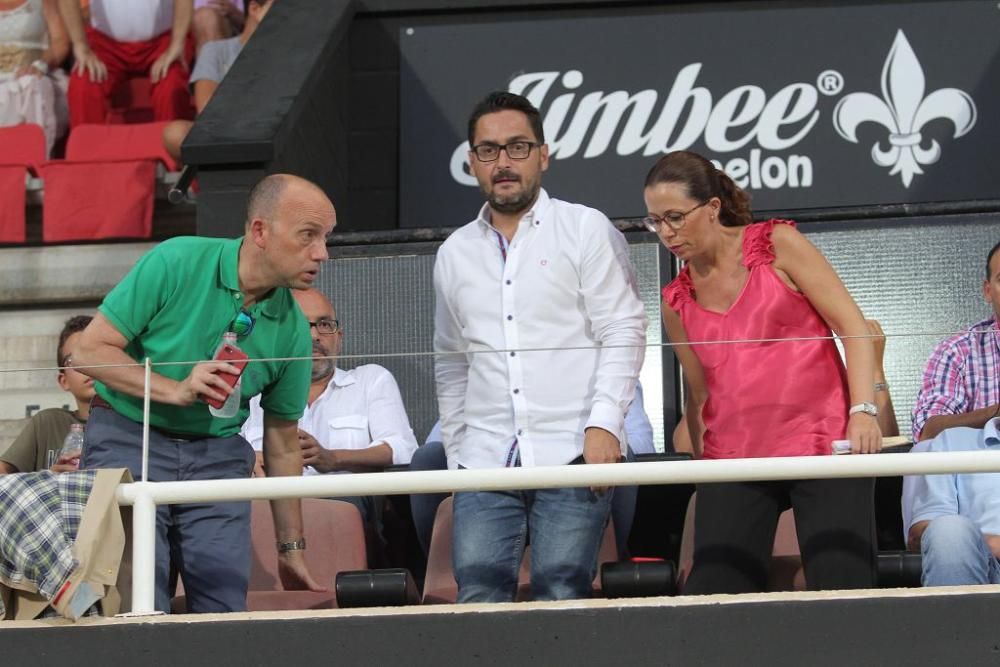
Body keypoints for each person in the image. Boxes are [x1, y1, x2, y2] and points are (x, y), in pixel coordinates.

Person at [72, 173, 332, 613]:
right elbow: (88, 351)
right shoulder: (176, 260)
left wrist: (291, 549)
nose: (321, 253)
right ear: (260, 232)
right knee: (132, 603)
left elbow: (284, 443)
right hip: (127, 438)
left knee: (223, 611)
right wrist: (173, 389)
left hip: (216, 455)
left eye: (326, 238)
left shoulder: (292, 330)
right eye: (308, 235)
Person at [433, 91, 647, 603]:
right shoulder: (454, 251)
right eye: (488, 150)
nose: (502, 163)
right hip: (483, 461)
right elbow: (451, 360)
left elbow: (623, 329)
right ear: (471, 161)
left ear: (543, 156)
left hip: (572, 451)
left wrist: (604, 425)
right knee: (478, 596)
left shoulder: (584, 227)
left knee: (562, 591)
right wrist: (459, 454)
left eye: (517, 147)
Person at [648, 150, 881, 594]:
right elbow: (700, 398)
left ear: (712, 207)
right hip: (735, 456)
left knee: (844, 586)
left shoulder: (776, 244)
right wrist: (705, 470)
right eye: (655, 221)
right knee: (712, 593)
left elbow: (852, 325)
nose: (666, 232)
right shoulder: (675, 299)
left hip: (823, 443)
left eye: (675, 217)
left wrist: (863, 410)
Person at [411, 383, 653, 560]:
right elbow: (438, 445)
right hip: (495, 492)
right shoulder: (490, 377)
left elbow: (642, 445)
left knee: (623, 455)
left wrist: (586, 438)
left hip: (569, 487)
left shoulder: (600, 375)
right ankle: (437, 569)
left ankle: (608, 566)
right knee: (427, 458)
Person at [242, 287, 419, 527]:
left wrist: (332, 459)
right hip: (266, 507)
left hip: (343, 508)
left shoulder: (370, 381)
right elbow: (220, 451)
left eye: (324, 325)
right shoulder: (252, 392)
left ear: (339, 338)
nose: (315, 335)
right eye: (303, 325)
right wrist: (248, 458)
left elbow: (401, 449)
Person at [911, 241, 1000, 443]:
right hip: (986, 473)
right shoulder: (958, 351)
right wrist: (996, 413)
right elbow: (928, 432)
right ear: (988, 291)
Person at [161, 0, 271, 163]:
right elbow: (206, 108)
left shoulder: (286, 54)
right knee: (174, 133)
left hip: (267, 130)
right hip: (225, 131)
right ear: (255, 9)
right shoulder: (216, 50)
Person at [58, 0, 194, 128]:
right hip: (105, 43)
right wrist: (80, 44)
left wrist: (177, 43)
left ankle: (174, 150)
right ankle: (87, 151)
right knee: (83, 84)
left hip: (162, 42)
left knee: (172, 85)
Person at [0, 314, 93, 475]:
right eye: (75, 360)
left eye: (96, 355)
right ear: (64, 381)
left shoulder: (135, 420)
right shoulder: (48, 423)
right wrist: (47, 480)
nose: (89, 366)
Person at [0, 0, 69, 155]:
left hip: (34, 72)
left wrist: (41, 65)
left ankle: (34, 166)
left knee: (32, 84)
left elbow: (60, 42)